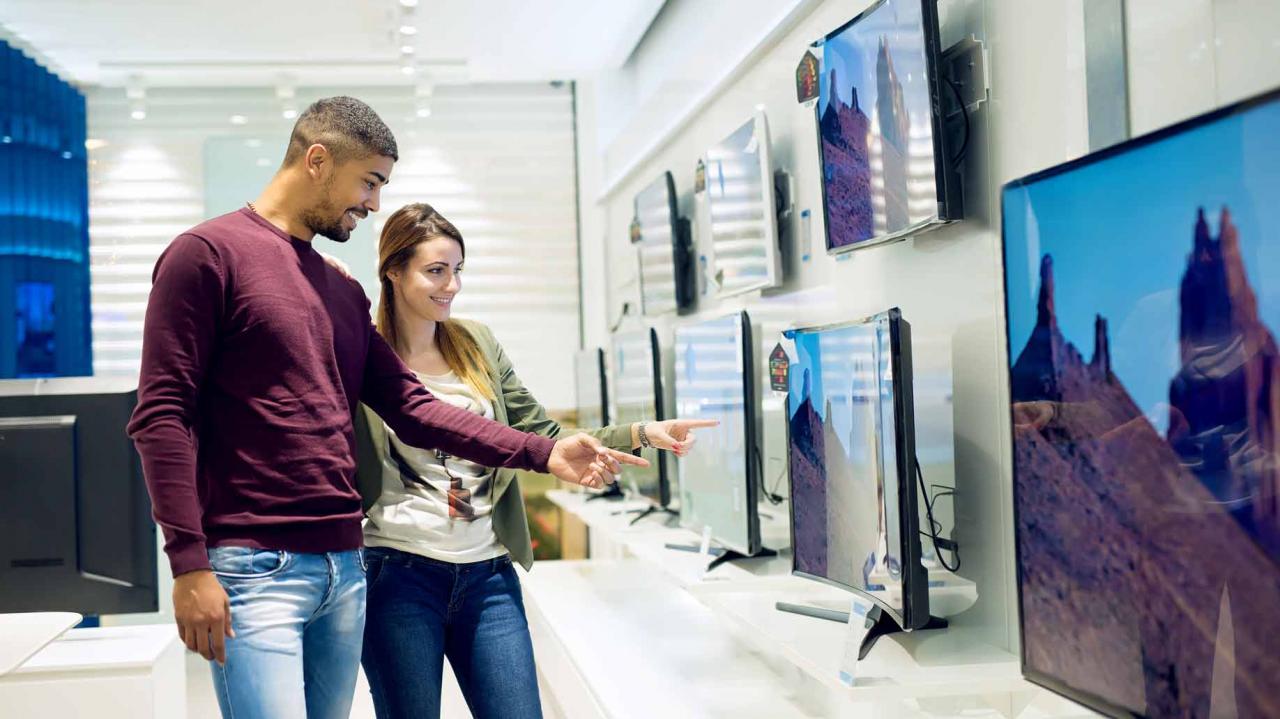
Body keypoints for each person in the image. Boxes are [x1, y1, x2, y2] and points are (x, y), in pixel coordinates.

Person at [125, 96, 644, 719]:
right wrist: (188, 562)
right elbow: (162, 416)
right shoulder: (207, 255)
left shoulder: (341, 288)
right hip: (255, 568)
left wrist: (545, 451)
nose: (374, 203)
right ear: (318, 160)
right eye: (369, 182)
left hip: (346, 569)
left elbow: (413, 407)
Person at [352, 202, 714, 719]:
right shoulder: (366, 356)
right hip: (398, 572)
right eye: (435, 271)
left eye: (457, 270)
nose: (450, 285)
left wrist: (640, 434)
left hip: (488, 574)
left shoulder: (475, 343)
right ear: (393, 270)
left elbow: (540, 434)